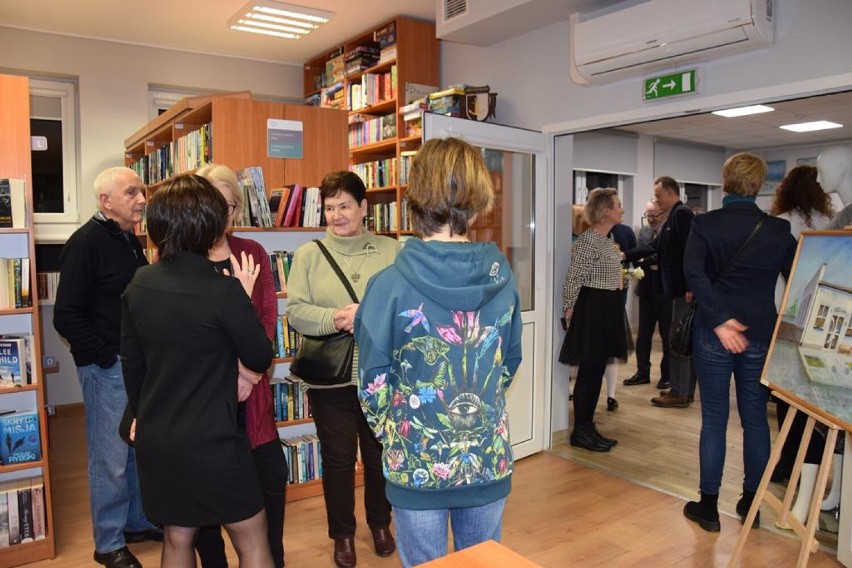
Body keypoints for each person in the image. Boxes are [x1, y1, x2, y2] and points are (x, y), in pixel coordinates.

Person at [354, 137, 523, 568]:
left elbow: (372, 380)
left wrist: (400, 435)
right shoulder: (503, 282)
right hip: (486, 458)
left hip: (416, 464)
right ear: (478, 200)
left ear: (417, 196)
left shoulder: (387, 285)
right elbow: (508, 363)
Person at [120, 174, 275, 567]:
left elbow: (133, 366)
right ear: (207, 223)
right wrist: (242, 294)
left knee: (176, 539)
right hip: (214, 439)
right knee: (253, 541)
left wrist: (141, 413)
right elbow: (259, 356)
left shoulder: (139, 282)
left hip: (160, 439)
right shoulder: (222, 289)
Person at [285, 171, 399, 568]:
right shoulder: (308, 255)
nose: (336, 215)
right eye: (329, 208)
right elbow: (296, 311)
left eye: (344, 206)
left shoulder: (392, 250)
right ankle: (343, 535)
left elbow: (404, 307)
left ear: (364, 207)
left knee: (379, 454)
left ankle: (381, 524)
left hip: (381, 374)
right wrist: (336, 317)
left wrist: (364, 315)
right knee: (336, 460)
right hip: (329, 379)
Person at [681, 152, 796, 532]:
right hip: (760, 335)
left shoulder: (705, 225)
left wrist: (721, 321)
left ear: (725, 181)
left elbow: (693, 274)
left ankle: (709, 508)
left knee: (714, 420)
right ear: (760, 186)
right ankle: (752, 504)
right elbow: (797, 279)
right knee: (756, 423)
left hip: (713, 336)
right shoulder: (778, 231)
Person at [53, 166, 160, 568]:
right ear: (106, 201)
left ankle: (134, 523)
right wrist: (104, 356)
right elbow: (65, 316)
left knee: (133, 446)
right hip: (107, 368)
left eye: (142, 191)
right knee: (109, 457)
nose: (142, 199)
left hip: (132, 365)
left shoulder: (129, 239)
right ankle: (108, 543)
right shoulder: (85, 244)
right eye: (132, 192)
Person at [195, 163, 288, 568]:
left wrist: (248, 375)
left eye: (229, 205)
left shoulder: (252, 252)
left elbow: (266, 320)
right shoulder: (180, 258)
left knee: (269, 496)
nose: (222, 214)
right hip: (202, 405)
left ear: (236, 210)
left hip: (252, 402)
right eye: (212, 204)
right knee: (205, 516)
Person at [559, 188, 631, 452]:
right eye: (618, 205)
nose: (622, 209)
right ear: (605, 210)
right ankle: (581, 430)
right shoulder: (589, 240)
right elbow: (574, 278)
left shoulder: (607, 239)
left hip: (607, 308)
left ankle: (588, 426)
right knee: (589, 373)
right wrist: (568, 311)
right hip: (593, 310)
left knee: (596, 371)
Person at [625, 176, 696, 408]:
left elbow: (690, 251)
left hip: (681, 291)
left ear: (669, 192)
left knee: (678, 340)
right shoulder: (672, 217)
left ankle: (680, 391)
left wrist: (689, 286)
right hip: (673, 289)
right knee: (676, 339)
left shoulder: (681, 214)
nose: (657, 200)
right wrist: (627, 255)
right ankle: (679, 389)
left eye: (658, 196)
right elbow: (655, 247)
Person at [624, 200, 672, 389]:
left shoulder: (669, 231)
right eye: (648, 215)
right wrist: (648, 260)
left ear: (664, 214)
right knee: (644, 333)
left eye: (655, 215)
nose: (651, 219)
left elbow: (664, 258)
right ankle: (642, 371)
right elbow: (639, 258)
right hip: (646, 289)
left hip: (665, 290)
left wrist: (648, 259)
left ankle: (666, 375)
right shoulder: (643, 232)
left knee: (667, 335)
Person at [602, 222, 637, 412]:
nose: (621, 212)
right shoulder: (591, 241)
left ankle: (611, 395)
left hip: (612, 303)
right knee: (605, 353)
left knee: (610, 352)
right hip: (601, 306)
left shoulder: (623, 234)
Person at [819, 144, 852, 229]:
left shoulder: (846, 215)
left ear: (841, 169)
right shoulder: (845, 215)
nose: (818, 179)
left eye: (821, 172)